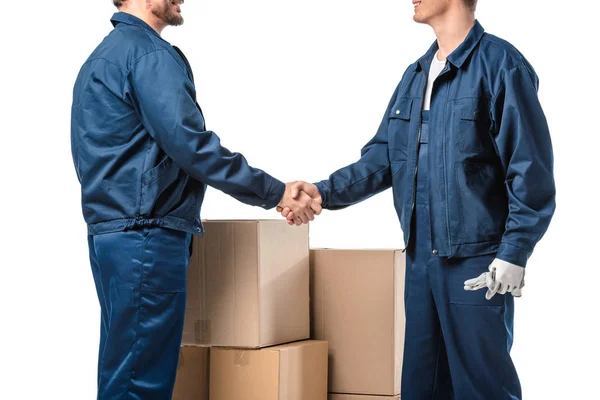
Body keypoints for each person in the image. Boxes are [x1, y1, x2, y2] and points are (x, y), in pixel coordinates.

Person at [280, 0, 556, 398]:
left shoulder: (501, 65)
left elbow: (530, 170)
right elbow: (383, 159)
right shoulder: (416, 76)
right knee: (421, 386)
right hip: (421, 261)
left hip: (476, 265)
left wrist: (514, 251)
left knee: (482, 388)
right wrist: (322, 192)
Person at [70, 0, 320, 398]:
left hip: (113, 236)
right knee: (140, 382)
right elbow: (192, 146)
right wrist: (275, 191)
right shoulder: (149, 55)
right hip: (146, 237)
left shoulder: (101, 57)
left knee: (124, 369)